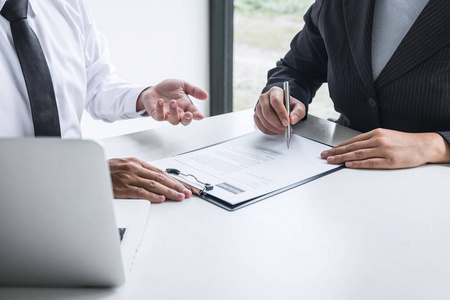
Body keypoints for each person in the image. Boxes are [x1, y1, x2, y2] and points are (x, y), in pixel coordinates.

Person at [0, 0, 208, 202]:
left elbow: (96, 84)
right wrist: (81, 176)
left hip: (78, 203)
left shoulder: (68, 4)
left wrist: (143, 96)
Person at [254, 0, 450, 169]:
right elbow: (297, 69)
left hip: (433, 183)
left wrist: (433, 145)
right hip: (339, 172)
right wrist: (282, 94)